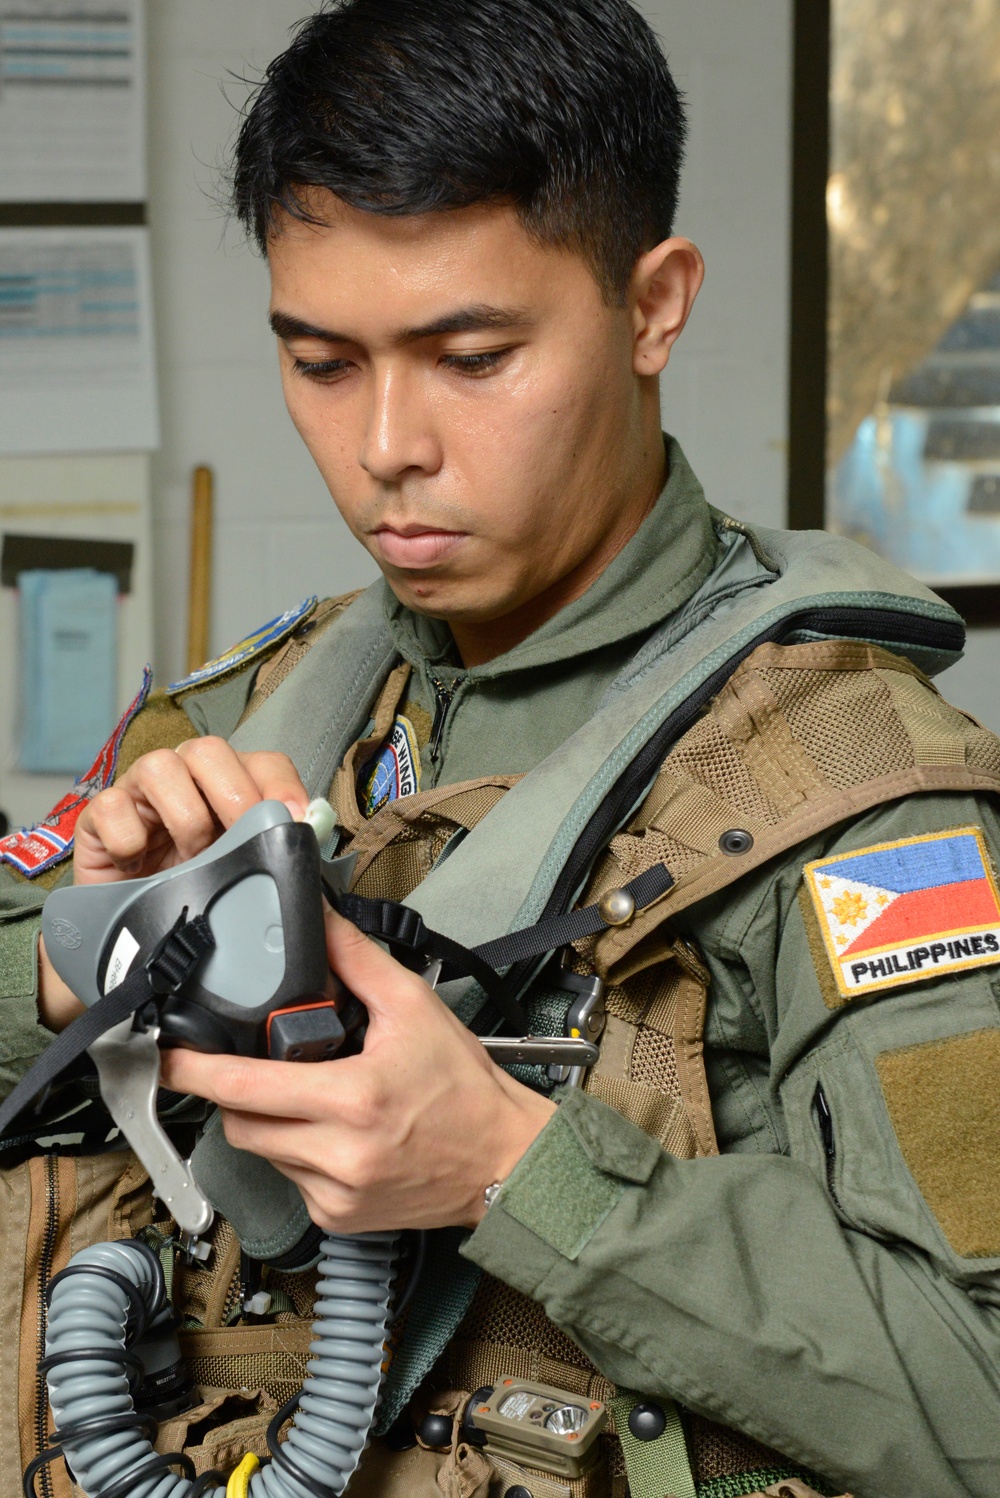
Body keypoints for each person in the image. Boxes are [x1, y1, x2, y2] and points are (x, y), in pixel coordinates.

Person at [3, 2, 1000, 1495]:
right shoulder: (246, 718)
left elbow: (977, 1389)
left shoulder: (868, 802)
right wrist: (81, 956)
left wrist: (514, 1170)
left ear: (653, 304)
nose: (387, 442)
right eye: (323, 361)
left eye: (471, 354)